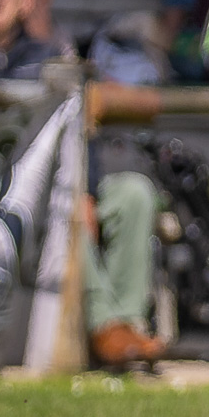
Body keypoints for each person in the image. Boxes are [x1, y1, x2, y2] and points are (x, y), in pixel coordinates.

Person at [82, 153, 164, 371]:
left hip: (79, 180)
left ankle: (127, 320)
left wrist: (86, 192)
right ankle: (103, 323)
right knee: (69, 215)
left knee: (135, 194)